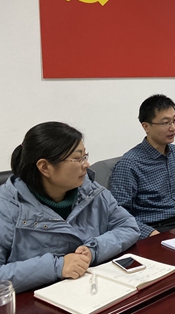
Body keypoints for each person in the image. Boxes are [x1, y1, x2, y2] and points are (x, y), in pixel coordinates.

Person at [0, 122, 139, 293]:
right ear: (45, 167)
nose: (87, 165)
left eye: (85, 156)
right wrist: (57, 267)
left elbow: (128, 226)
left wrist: (93, 250)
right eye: (78, 159)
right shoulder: (6, 207)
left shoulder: (90, 190)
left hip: (94, 289)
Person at [111, 94, 175, 239]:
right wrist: (149, 233)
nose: (173, 128)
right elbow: (119, 214)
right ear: (146, 126)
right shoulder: (129, 164)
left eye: (174, 120)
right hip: (156, 229)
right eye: (165, 123)